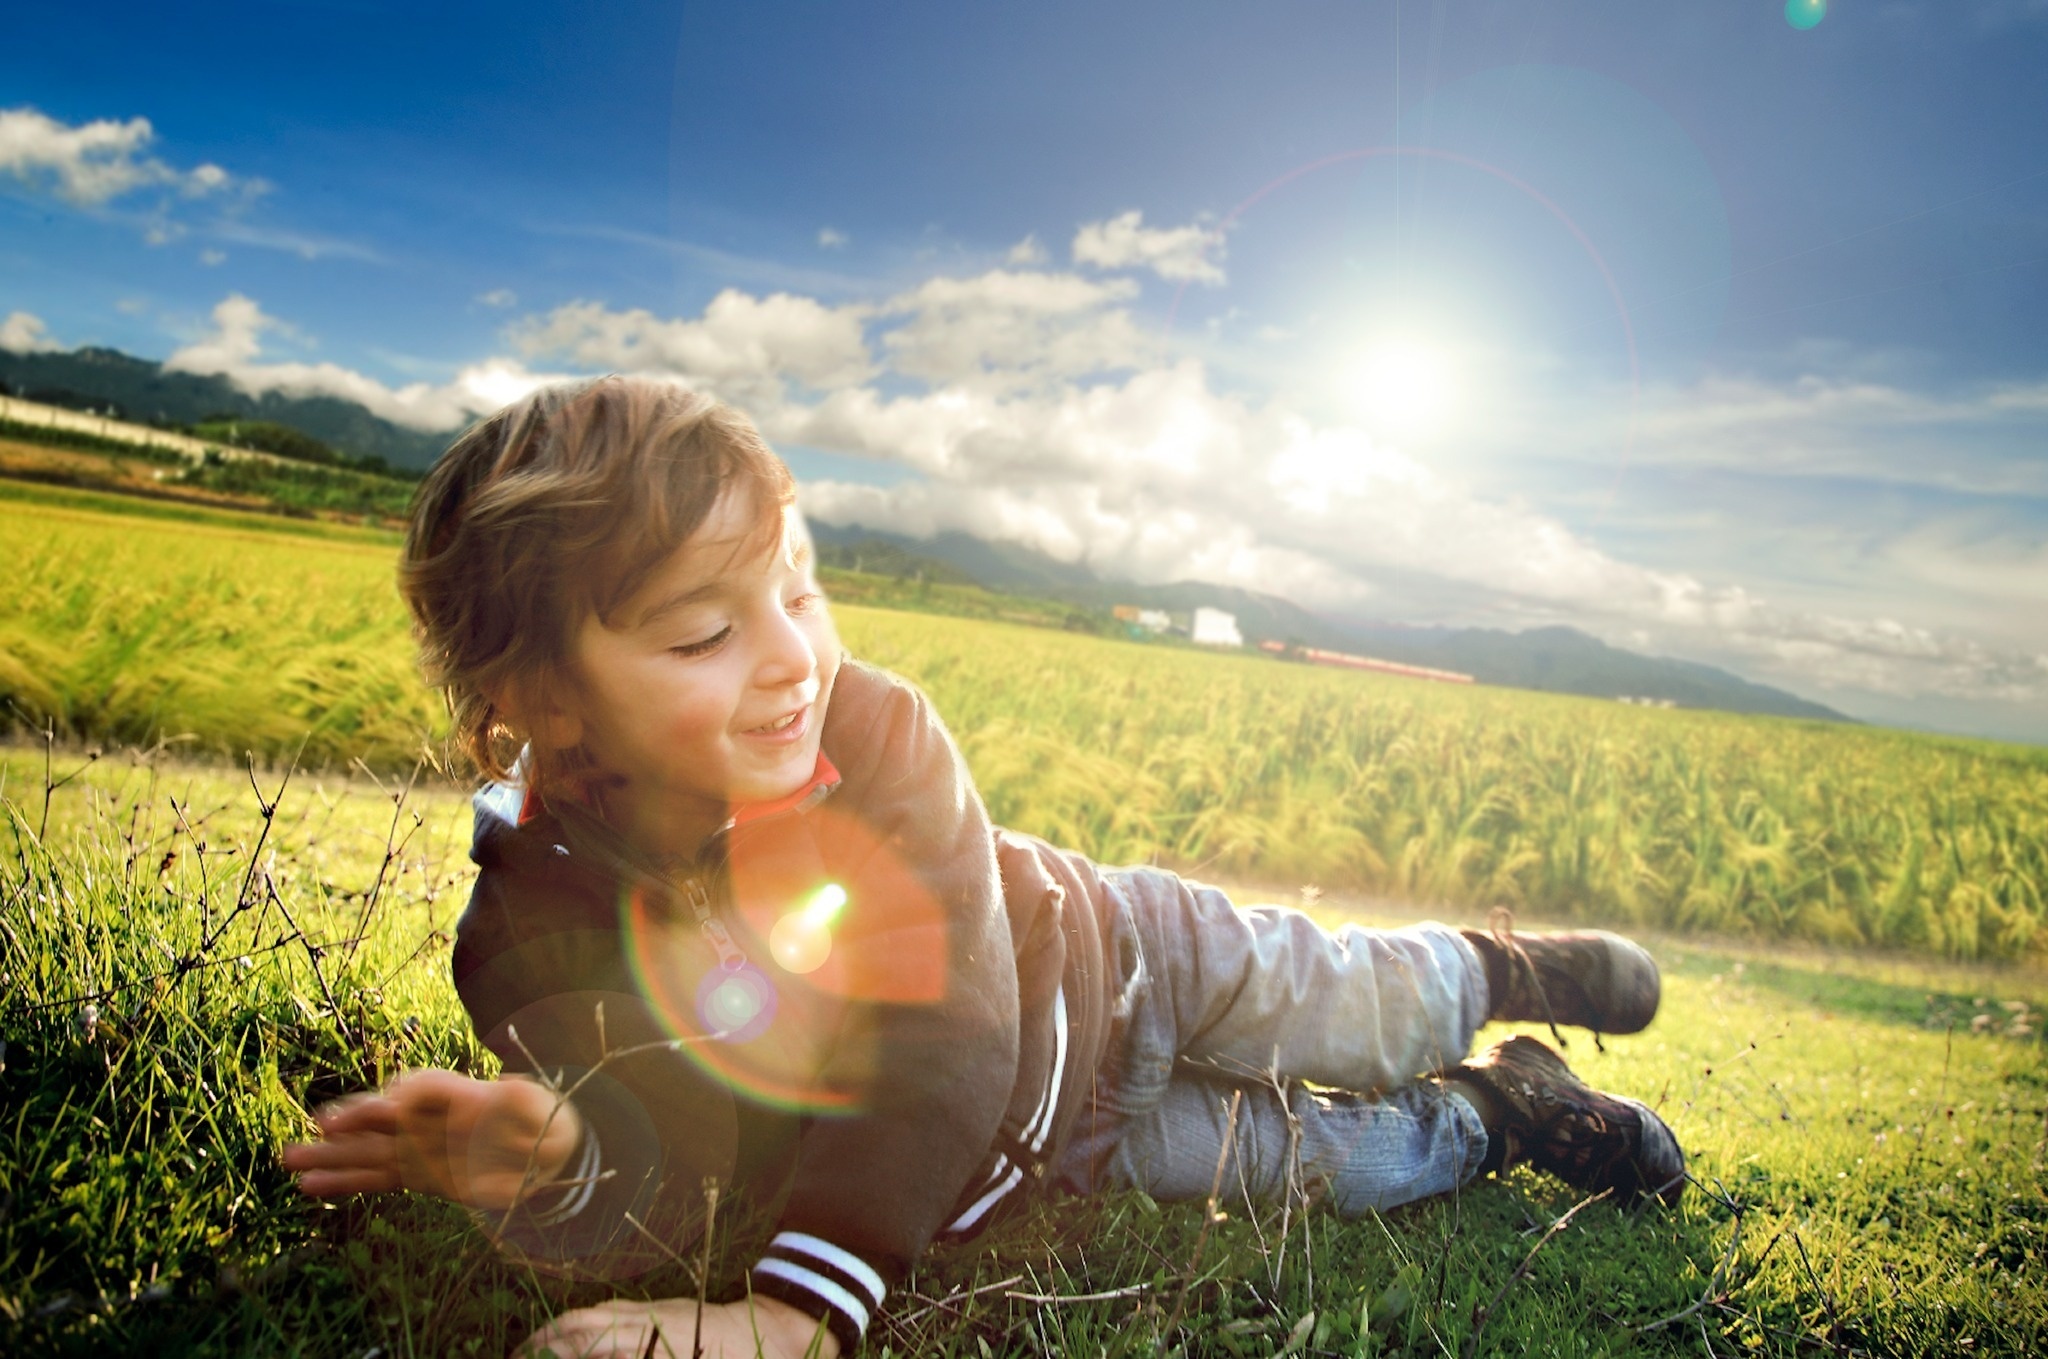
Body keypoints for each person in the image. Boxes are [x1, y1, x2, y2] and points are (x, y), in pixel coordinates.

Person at [283, 378, 1683, 1359]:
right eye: (703, 632)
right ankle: (1507, 1114)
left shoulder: (874, 733)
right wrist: (568, 1159)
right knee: (1337, 1164)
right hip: (1081, 1145)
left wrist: (802, 1312)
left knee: (1357, 1005)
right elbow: (677, 1157)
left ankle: (1500, 970)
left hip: (1125, 956)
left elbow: (947, 1030)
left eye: (795, 587)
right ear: (542, 698)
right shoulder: (526, 942)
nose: (788, 656)